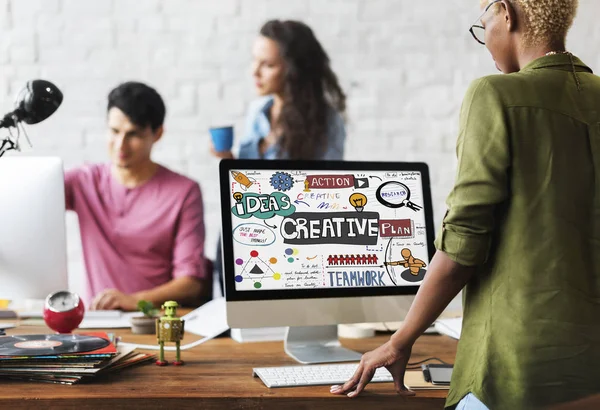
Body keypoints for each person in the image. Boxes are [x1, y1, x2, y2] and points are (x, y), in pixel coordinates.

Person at [331, 1, 600, 409]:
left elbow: (463, 244)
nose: (485, 39)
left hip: (518, 368)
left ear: (506, 14)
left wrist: (400, 340)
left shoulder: (494, 94)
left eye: (483, 24)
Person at [211, 19, 348, 293]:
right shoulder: (258, 111)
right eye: (255, 61)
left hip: (288, 239)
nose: (255, 72)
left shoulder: (326, 122)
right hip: (243, 225)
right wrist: (229, 161)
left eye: (268, 65)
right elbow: (249, 177)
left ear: (294, 71)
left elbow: (328, 192)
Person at [65, 81, 210, 311]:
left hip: (154, 319)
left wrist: (135, 301)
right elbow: (27, 201)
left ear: (157, 133)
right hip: (99, 321)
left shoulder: (184, 192)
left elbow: (190, 283)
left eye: (133, 134)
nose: (120, 145)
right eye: (114, 131)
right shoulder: (82, 181)